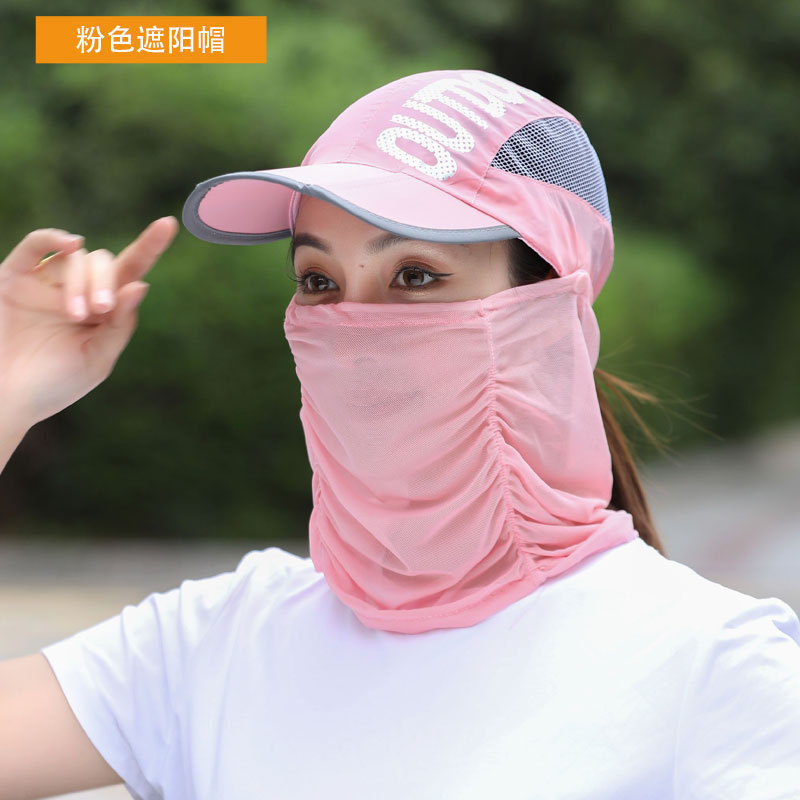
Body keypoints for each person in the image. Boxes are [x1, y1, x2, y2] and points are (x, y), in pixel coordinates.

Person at [1, 68, 799, 799]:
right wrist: (10, 389)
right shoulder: (217, 644)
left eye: (414, 275)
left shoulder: (718, 670)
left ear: (551, 318)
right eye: (319, 280)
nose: (354, 329)